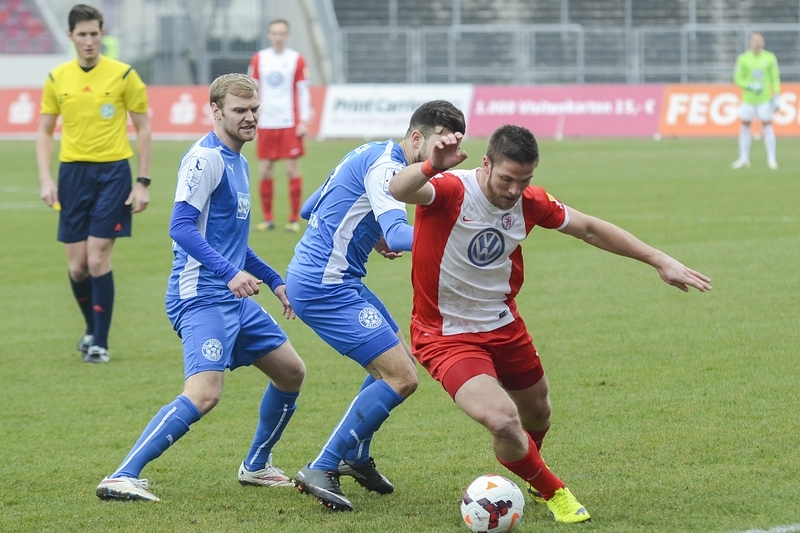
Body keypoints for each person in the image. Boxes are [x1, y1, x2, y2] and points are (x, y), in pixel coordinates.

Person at [389, 125, 712, 524]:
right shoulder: (451, 189)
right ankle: (553, 490)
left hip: (504, 324)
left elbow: (589, 228)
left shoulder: (529, 202)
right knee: (502, 419)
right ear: (486, 164)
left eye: (524, 180)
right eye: (507, 179)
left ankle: (529, 467)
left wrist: (659, 259)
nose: (514, 190)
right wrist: (431, 166)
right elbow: (399, 190)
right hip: (446, 334)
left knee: (538, 413)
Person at [95, 73, 306, 502]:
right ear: (215, 111)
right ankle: (121, 475)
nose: (250, 118)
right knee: (205, 394)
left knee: (291, 372)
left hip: (232, 296)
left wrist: (273, 279)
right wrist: (229, 273)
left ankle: (257, 465)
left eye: (254, 109)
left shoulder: (239, 161)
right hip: (200, 296)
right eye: (239, 110)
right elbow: (181, 227)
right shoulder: (205, 159)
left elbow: (232, 242)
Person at [286, 100, 467, 512]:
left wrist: (371, 233)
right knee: (402, 378)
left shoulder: (370, 150)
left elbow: (310, 207)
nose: (445, 156)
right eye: (441, 146)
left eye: (454, 148)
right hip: (325, 284)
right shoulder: (389, 168)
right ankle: (322, 466)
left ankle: (355, 455)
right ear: (417, 138)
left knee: (401, 358)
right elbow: (401, 233)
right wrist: (459, 240)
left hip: (335, 278)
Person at [36, 4, 151, 364]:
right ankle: (91, 328)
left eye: (94, 34)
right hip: (72, 175)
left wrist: (142, 181)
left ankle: (100, 343)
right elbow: (44, 131)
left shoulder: (124, 75)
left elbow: (143, 128)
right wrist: (45, 178)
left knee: (97, 258)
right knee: (77, 267)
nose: (89, 41)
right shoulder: (57, 78)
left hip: (113, 174)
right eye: (82, 34)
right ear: (71, 36)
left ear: (102, 34)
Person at [248, 18, 311, 233]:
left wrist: (303, 120)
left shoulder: (296, 59)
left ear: (287, 35)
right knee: (265, 170)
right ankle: (268, 219)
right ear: (269, 35)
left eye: (282, 33)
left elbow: (303, 91)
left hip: (288, 122)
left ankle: (294, 219)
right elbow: (253, 89)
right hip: (266, 122)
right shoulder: (259, 58)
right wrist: (253, 118)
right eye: (275, 33)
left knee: (291, 169)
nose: (278, 37)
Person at [732, 31, 781, 170]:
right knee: (745, 126)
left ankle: (771, 159)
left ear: (763, 42)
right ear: (750, 42)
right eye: (755, 40)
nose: (757, 43)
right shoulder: (743, 59)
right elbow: (737, 79)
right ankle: (743, 158)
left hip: (764, 99)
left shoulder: (770, 58)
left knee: (767, 126)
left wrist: (777, 95)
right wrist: (750, 86)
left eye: (760, 40)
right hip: (748, 99)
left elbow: (775, 78)